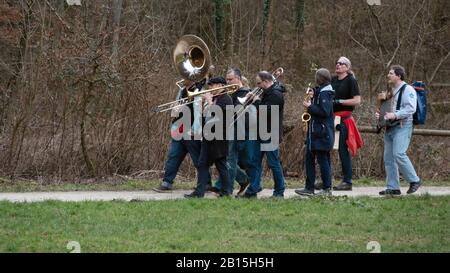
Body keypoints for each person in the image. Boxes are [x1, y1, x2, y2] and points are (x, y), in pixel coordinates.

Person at [153, 79, 212, 192]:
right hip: (179, 130)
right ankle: (167, 183)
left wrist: (196, 131)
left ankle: (206, 183)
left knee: (198, 159)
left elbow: (200, 113)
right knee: (173, 156)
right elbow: (175, 112)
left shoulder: (199, 91)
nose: (182, 79)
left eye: (185, 76)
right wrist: (175, 109)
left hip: (191, 131)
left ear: (192, 78)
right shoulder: (181, 91)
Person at [316, 56, 362, 191]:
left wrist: (339, 101)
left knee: (342, 150)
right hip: (330, 118)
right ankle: (326, 180)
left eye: (341, 64)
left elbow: (357, 100)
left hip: (343, 119)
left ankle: (347, 181)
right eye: (337, 63)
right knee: (326, 149)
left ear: (347, 67)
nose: (338, 65)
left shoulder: (351, 81)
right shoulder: (332, 80)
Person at [376, 65, 422, 195]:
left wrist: (395, 115)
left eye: (391, 73)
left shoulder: (408, 89)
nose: (388, 75)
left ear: (399, 76)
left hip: (403, 125)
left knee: (399, 154)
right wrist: (380, 116)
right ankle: (393, 188)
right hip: (390, 127)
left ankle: (414, 180)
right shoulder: (391, 90)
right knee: (389, 158)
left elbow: (411, 109)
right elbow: (387, 109)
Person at [185, 76, 233, 198]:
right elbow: (205, 115)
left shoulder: (226, 99)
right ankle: (200, 191)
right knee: (202, 164)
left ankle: (226, 191)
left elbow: (217, 114)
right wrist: (202, 105)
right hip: (208, 135)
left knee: (221, 165)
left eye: (212, 85)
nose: (210, 88)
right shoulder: (215, 98)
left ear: (221, 86)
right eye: (210, 85)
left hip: (218, 137)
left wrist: (210, 101)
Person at [212, 68, 257, 196]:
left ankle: (227, 189)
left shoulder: (245, 93)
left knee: (230, 159)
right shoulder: (230, 92)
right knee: (225, 159)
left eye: (230, 79)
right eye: (227, 79)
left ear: (238, 78)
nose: (228, 82)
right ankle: (241, 180)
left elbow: (249, 116)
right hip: (228, 128)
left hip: (238, 130)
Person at [241, 71, 285, 198]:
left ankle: (279, 191)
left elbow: (267, 112)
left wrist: (256, 101)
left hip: (271, 133)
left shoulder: (276, 94)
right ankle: (252, 190)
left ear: (266, 81)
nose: (257, 86)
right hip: (261, 132)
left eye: (259, 83)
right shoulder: (266, 92)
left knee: (273, 163)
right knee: (254, 162)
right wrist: (252, 100)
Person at [295, 68, 335, 196]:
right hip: (314, 132)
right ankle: (309, 187)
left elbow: (325, 112)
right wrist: (313, 96)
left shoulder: (325, 93)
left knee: (323, 160)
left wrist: (310, 106)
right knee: (309, 158)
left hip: (321, 132)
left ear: (320, 78)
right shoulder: (321, 92)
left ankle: (327, 188)